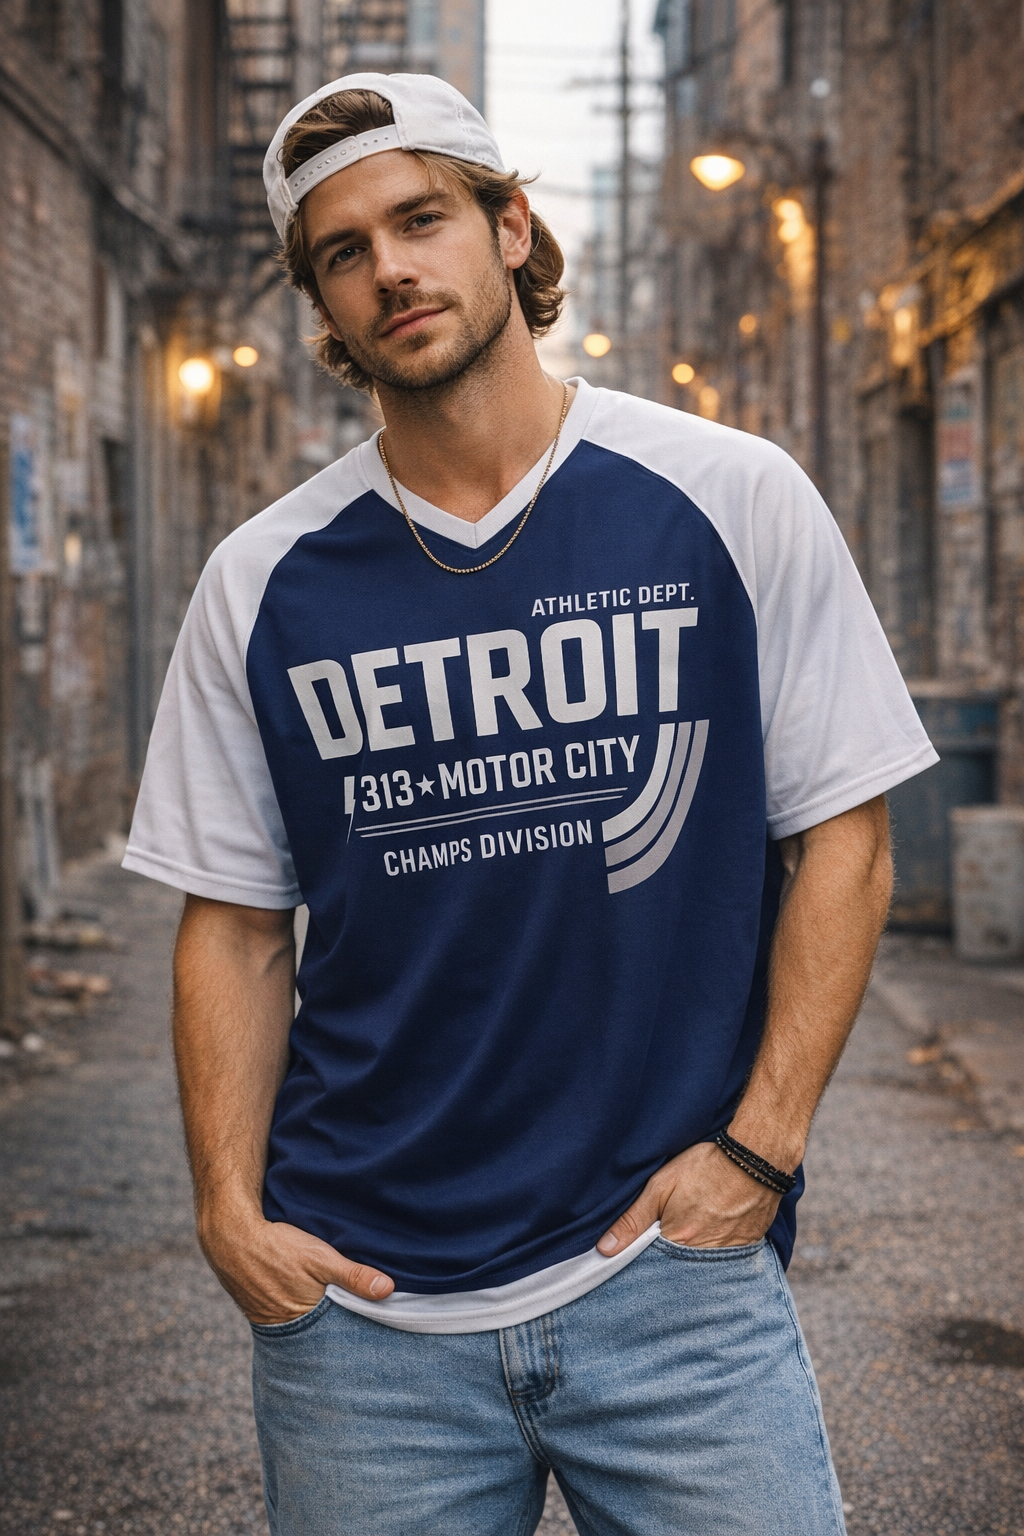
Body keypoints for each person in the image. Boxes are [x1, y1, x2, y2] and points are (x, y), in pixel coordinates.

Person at [124, 71, 937, 1536]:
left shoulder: (728, 496)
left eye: (421, 220)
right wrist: (230, 1216)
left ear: (509, 228)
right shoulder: (262, 580)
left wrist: (758, 1153)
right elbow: (234, 926)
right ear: (323, 303)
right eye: (344, 252)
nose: (391, 270)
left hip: (673, 1283)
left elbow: (846, 838)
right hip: (365, 1319)